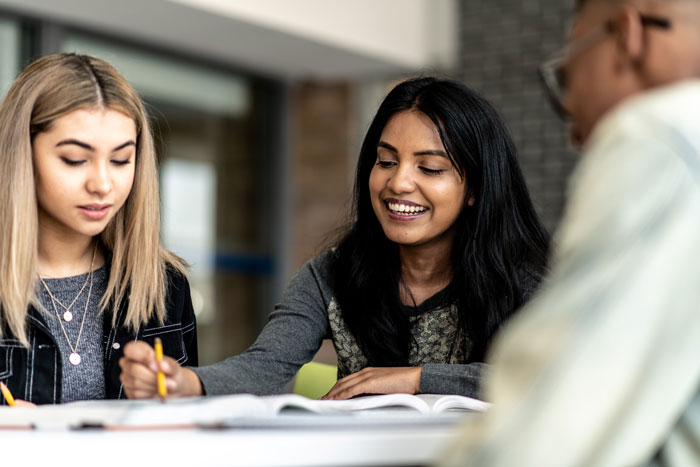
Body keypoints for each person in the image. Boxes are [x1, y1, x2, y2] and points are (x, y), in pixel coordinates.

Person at [119, 77, 549, 400]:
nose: (398, 183)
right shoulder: (332, 274)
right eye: (385, 161)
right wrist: (185, 381)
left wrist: (414, 378)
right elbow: (267, 364)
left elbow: (554, 374)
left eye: (430, 168)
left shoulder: (525, 275)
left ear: (474, 188)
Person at [440, 0, 700, 466]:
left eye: (567, 79)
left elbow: (552, 419)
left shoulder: (658, 136)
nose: (574, 134)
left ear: (627, 36)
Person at [0, 53, 198, 405]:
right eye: (75, 159)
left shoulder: (164, 285)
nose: (103, 184)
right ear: (21, 155)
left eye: (121, 160)